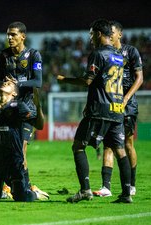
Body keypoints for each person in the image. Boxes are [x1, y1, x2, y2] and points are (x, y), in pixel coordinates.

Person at [57, 19, 132, 203]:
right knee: (120, 151)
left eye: (91, 35)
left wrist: (64, 79)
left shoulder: (98, 54)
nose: (90, 39)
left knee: (78, 146)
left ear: (99, 34)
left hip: (99, 109)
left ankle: (85, 190)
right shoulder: (118, 55)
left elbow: (88, 80)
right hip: (117, 108)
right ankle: (126, 194)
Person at [0, 21, 49, 200]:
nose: (9, 38)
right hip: (8, 109)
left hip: (26, 109)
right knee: (6, 150)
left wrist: (18, 83)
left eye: (13, 35)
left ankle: (25, 187)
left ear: (22, 36)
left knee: (22, 150)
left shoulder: (33, 55)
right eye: (8, 35)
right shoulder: (4, 56)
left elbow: (38, 82)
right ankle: (9, 187)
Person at [93, 20, 143, 197]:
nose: (110, 35)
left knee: (127, 143)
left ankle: (132, 184)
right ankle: (106, 187)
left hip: (127, 104)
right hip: (111, 101)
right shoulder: (106, 54)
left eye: (113, 32)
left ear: (119, 34)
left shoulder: (130, 52)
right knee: (109, 143)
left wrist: (126, 98)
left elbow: (139, 78)